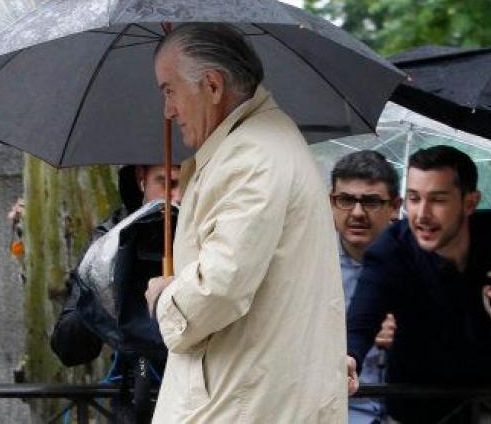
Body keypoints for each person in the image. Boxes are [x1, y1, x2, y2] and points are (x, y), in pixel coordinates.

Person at [145, 23, 347, 423]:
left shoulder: (250, 155)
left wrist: (163, 299)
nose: (167, 110)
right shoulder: (265, 141)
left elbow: (219, 289)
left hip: (241, 406)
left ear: (213, 86)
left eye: (169, 91)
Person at [347, 145, 491, 423]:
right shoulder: (391, 251)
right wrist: (349, 359)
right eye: (414, 199)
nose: (422, 214)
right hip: (416, 407)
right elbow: (359, 327)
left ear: (470, 203)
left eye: (438, 200)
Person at [50, 164, 180, 423]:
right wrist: (104, 287)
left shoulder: (212, 234)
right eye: (167, 183)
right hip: (137, 394)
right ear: (141, 179)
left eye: (190, 184)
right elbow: (68, 347)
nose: (177, 197)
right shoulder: (114, 236)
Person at [330, 150, 401, 423]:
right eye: (346, 200)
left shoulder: (422, 263)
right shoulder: (310, 268)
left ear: (394, 206)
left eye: (371, 202)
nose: (357, 213)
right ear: (331, 203)